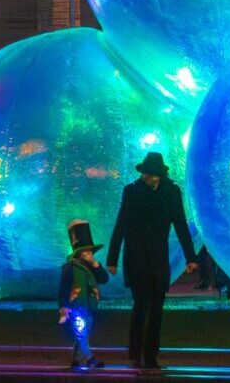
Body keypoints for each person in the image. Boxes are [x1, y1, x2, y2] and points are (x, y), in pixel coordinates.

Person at [104, 151, 195, 372]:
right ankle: (137, 351)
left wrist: (191, 257)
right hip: (137, 258)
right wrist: (112, 257)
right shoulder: (132, 192)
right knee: (142, 305)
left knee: (156, 308)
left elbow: (181, 224)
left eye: (152, 175)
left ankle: (150, 353)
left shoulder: (171, 192)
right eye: (148, 174)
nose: (150, 178)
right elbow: (121, 224)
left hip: (157, 259)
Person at [57, 220, 109, 372]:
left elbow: (104, 279)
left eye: (91, 252)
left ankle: (76, 359)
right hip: (76, 307)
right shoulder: (70, 267)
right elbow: (63, 288)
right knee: (81, 333)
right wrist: (63, 306)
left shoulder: (91, 268)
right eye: (86, 252)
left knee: (83, 333)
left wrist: (95, 264)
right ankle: (89, 359)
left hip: (89, 307)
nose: (90, 254)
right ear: (79, 253)